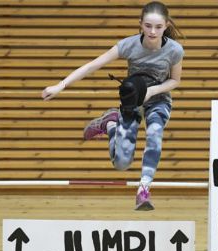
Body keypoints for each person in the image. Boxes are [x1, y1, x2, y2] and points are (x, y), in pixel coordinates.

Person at [41, 1, 184, 211]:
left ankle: (143, 190)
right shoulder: (128, 45)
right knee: (121, 164)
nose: (152, 32)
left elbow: (175, 81)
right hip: (132, 100)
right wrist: (60, 85)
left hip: (158, 99)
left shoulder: (174, 50)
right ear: (140, 24)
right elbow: (93, 65)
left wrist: (152, 91)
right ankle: (110, 125)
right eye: (147, 26)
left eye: (158, 27)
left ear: (166, 25)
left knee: (155, 135)